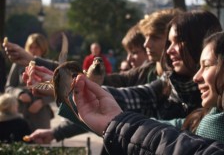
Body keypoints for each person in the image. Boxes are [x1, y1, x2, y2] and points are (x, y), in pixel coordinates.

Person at [71, 31, 224, 154]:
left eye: (207, 65)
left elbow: (177, 144)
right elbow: (168, 130)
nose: (169, 49)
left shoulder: (213, 122)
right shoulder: (207, 113)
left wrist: (117, 125)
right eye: (169, 42)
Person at [102, 10, 222, 119]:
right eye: (169, 42)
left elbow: (172, 134)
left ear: (197, 41)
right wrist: (93, 92)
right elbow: (139, 95)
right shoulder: (169, 81)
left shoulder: (214, 103)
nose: (169, 50)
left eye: (178, 40)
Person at [5, 33, 54, 131]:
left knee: (42, 143)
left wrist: (42, 102)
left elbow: (57, 89)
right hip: (20, 112)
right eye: (31, 47)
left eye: (37, 47)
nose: (33, 50)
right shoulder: (18, 64)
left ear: (43, 48)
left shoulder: (49, 65)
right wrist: (19, 93)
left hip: (40, 114)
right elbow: (9, 87)